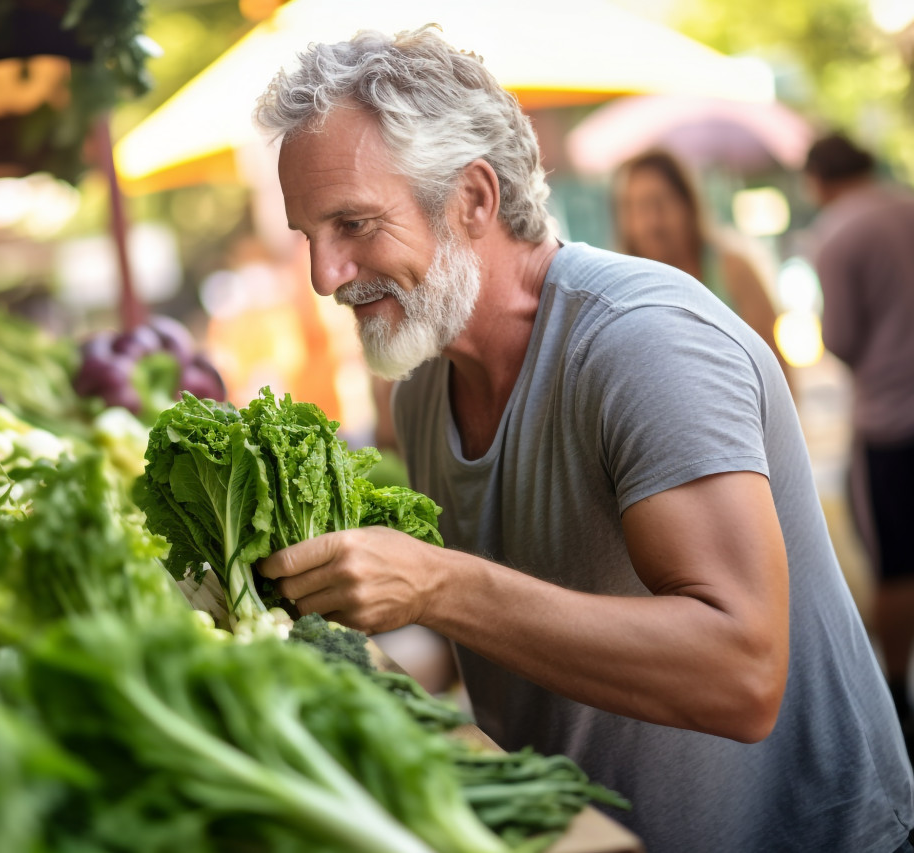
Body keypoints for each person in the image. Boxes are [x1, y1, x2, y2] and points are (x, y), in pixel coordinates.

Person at [252, 26, 914, 853]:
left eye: (352, 223)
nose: (325, 274)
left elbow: (743, 674)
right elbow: (516, 644)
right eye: (307, 234)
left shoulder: (643, 340)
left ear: (474, 199)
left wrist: (436, 587)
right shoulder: (425, 382)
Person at [803, 131, 914, 757]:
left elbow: (839, 338)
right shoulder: (908, 203)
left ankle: (898, 691)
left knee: (896, 564)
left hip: (892, 418)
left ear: (818, 180)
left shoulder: (839, 234)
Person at [612, 148, 793, 388]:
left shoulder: (733, 269)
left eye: (659, 204)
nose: (651, 223)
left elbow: (777, 373)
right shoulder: (622, 294)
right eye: (636, 208)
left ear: (688, 204)